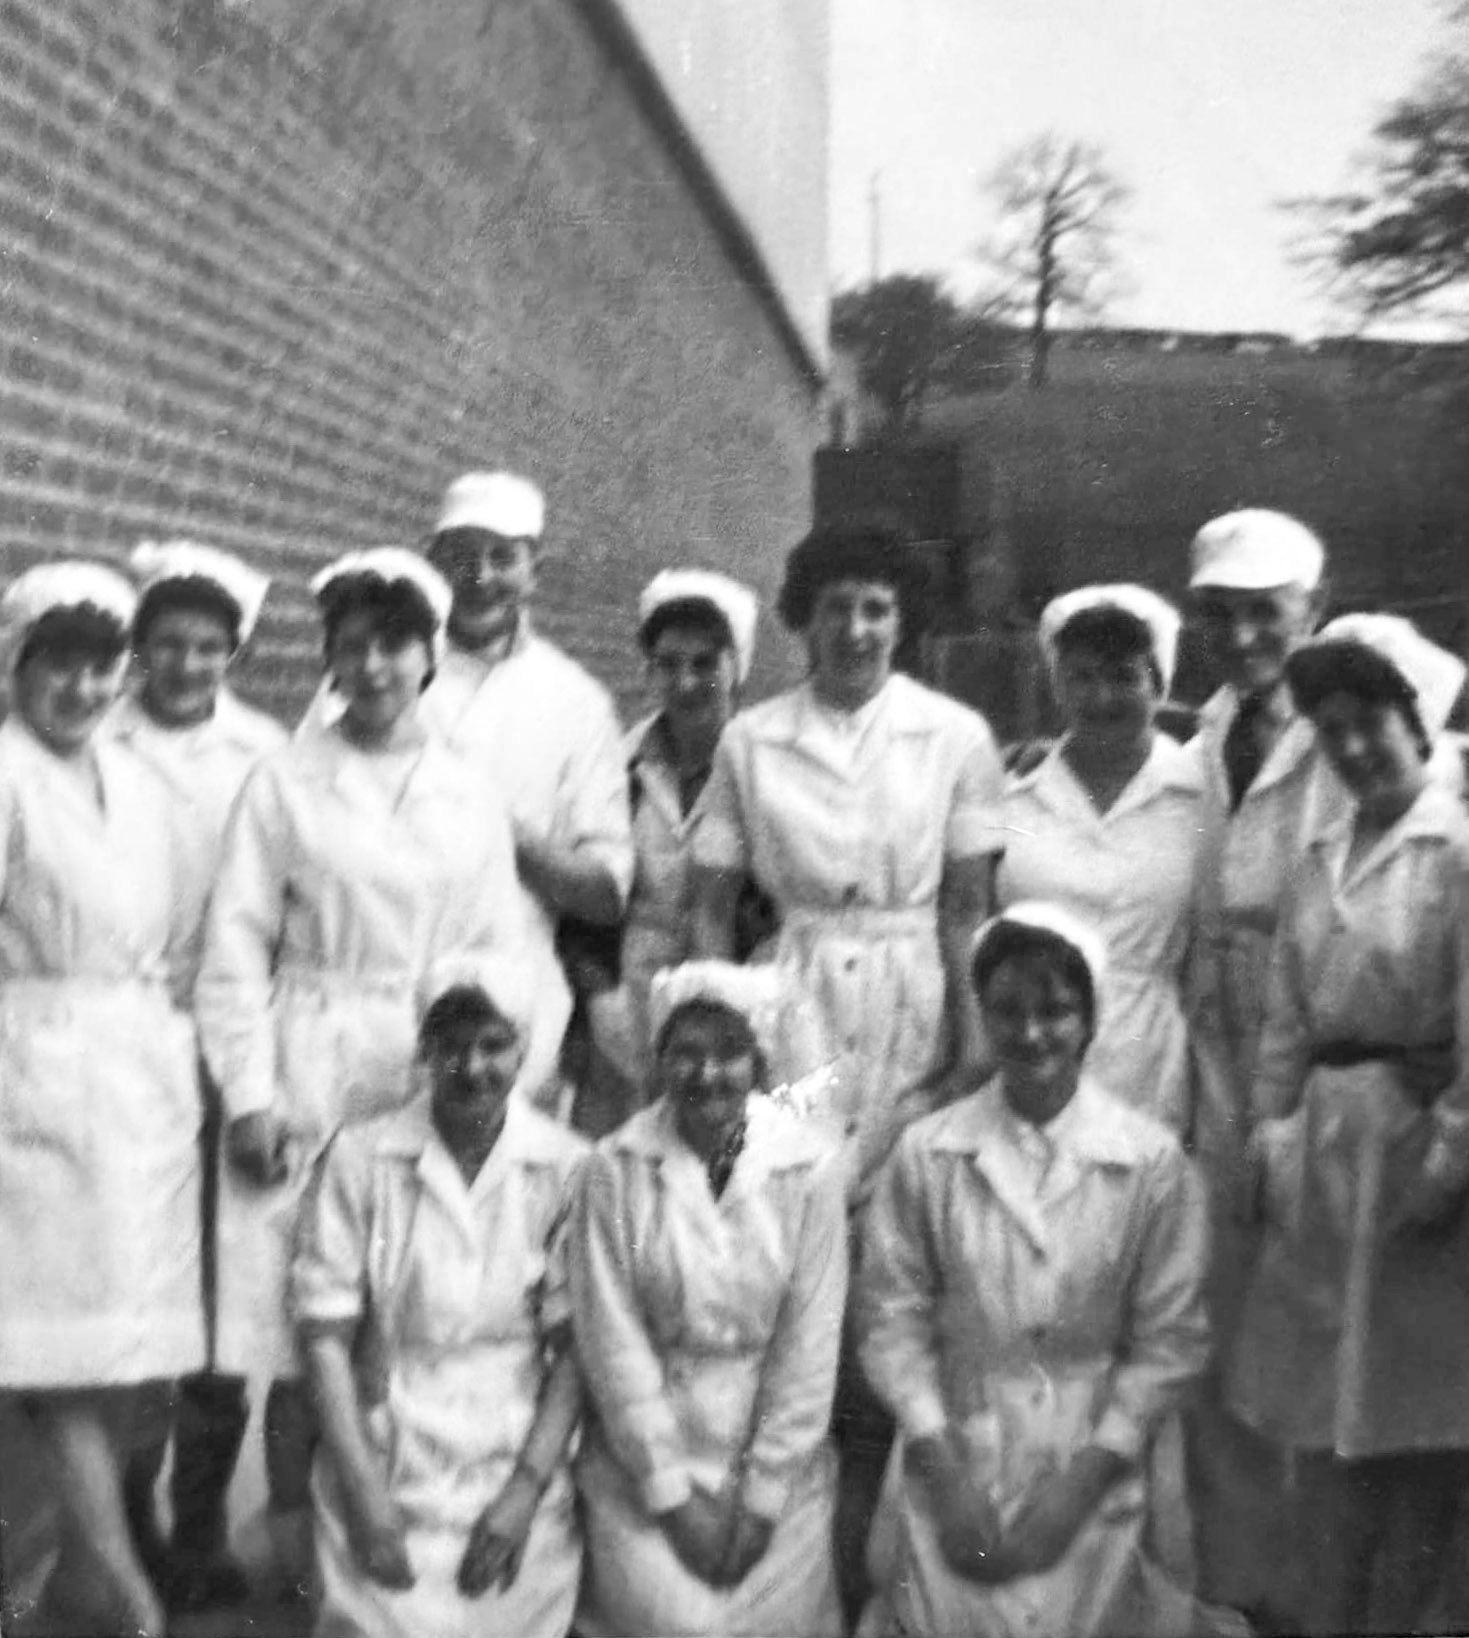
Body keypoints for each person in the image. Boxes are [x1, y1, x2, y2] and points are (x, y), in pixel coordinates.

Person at [689, 518, 1004, 1619]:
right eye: (835, 607)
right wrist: (718, 1037)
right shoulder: (750, 740)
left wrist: (967, 1049)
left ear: (901, 619)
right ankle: (787, 1565)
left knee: (902, 1287)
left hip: (915, 1005)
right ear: (801, 619)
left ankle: (899, 1567)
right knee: (784, 1265)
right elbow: (709, 907)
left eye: (876, 607)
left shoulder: (954, 734)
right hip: (795, 1012)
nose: (857, 628)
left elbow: (967, 906)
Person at [195, 547, 526, 1591]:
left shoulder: (468, 794)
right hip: (309, 1063)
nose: (373, 666)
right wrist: (248, 1095)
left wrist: (479, 1083)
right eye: (351, 647)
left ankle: (387, 1541)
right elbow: (235, 947)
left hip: (426, 1070)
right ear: (328, 658)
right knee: (305, 1336)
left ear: (427, 655)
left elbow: (490, 951)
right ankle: (299, 1551)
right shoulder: (283, 780)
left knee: (400, 1323)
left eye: (392, 645)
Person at [856, 903, 1213, 1638]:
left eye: (1054, 1011)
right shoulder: (927, 1154)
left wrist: (1079, 1486)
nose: (1029, 1033)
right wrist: (947, 1475)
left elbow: (1167, 1343)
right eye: (1006, 1010)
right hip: (952, 1435)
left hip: (1098, 1445)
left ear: (1090, 1019)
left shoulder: (1149, 1162)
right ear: (981, 1015)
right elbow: (890, 1324)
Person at [1226, 614, 1469, 1636]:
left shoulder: (1453, 851)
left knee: (1416, 1416)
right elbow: (1283, 1018)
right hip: (1325, 1152)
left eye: (1369, 720)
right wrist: (1268, 1140)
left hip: (1413, 1154)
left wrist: (1448, 1159)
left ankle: (1414, 1616)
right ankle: (1335, 1610)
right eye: (1329, 729)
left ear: (1416, 723)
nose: (1353, 746)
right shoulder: (1321, 850)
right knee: (1324, 1413)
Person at [0, 562, 204, 1637]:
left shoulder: (132, 781)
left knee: (125, 1341)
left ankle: (85, 1569)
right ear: (18, 668)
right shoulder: (5, 773)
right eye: (58, 668)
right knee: (59, 1348)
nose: (81, 689)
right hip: (35, 1081)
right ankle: (118, 1585)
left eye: (99, 668)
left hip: (134, 1087)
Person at [300, 471, 634, 1106]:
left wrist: (495, 829)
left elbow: (604, 894)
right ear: (431, 564)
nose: (479, 576)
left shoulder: (576, 701)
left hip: (508, 1004)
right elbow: (304, 818)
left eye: (502, 557)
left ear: (537, 568)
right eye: (459, 556)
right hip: (365, 985)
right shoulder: (375, 674)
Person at [293, 954, 588, 1638]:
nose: (472, 1067)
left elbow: (574, 1353)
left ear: (524, 1050)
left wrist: (522, 1495)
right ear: (424, 1051)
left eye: (493, 1046)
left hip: (515, 1448)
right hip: (388, 1444)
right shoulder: (360, 1157)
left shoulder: (568, 1164)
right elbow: (324, 1337)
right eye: (451, 1047)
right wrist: (365, 1498)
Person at [1178, 506, 1348, 1619]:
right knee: (1210, 1344)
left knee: (1323, 1345)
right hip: (1207, 1064)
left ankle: (1323, 1593)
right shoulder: (1196, 741)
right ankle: (1238, 1595)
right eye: (1222, 615)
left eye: (1266, 615)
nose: (1243, 637)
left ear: (1312, 614)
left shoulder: (1345, 737)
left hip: (1318, 1063)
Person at [568, 961, 847, 1638]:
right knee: (672, 1623)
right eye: (685, 1054)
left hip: (775, 1465)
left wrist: (761, 1500)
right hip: (646, 1460)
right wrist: (669, 1495)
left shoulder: (807, 1168)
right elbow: (612, 1342)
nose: (706, 1075)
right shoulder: (614, 1167)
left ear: (759, 1061)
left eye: (728, 1055)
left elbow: (808, 1347)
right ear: (657, 1060)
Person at [110, 539, 286, 1611]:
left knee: (222, 1306)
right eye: (166, 646)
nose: (184, 668)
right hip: (123, 1041)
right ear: (139, 649)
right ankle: (129, 1531)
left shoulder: (264, 754)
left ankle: (203, 1523)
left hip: (225, 1041)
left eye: (207, 649)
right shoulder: (96, 737)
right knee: (135, 1290)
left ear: (234, 654)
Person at [998, 584, 1201, 1133]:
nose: (1102, 697)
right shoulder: (1012, 797)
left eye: (1124, 676)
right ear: (1056, 685)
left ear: (1159, 685)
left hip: (1153, 1066)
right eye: (1081, 676)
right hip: (1031, 1053)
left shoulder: (1202, 797)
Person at [583, 568, 759, 1128]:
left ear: (738, 669)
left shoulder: (765, 766)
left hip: (739, 997)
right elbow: (591, 892)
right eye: (667, 664)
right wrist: (601, 996)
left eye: (705, 664)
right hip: (632, 1007)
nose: (684, 682)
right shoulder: (618, 765)